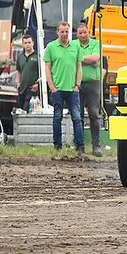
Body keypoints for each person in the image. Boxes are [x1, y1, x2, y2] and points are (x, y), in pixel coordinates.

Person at [43, 21, 88, 159]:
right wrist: (51, 86)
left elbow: (79, 66)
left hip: (72, 89)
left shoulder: (75, 46)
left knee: (77, 118)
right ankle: (57, 146)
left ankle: (80, 147)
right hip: (58, 89)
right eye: (62, 32)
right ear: (57, 32)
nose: (64, 34)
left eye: (66, 32)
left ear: (70, 32)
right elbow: (47, 67)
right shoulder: (51, 47)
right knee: (57, 117)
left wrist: (77, 85)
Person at [72, 23, 103, 157]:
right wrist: (89, 60)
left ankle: (96, 146)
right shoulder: (73, 45)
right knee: (78, 116)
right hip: (77, 84)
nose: (83, 35)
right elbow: (70, 59)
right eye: (80, 33)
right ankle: (79, 145)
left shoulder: (96, 43)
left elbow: (96, 58)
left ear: (88, 32)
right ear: (76, 34)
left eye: (85, 32)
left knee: (94, 114)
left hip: (93, 84)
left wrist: (79, 59)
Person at [16, 34, 40, 112]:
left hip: (32, 88)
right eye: (25, 43)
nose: (27, 45)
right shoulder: (20, 58)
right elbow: (18, 70)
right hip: (22, 88)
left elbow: (41, 72)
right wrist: (18, 83)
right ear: (23, 45)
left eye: (29, 42)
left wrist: (37, 84)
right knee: (21, 109)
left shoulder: (37, 57)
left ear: (33, 43)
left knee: (28, 107)